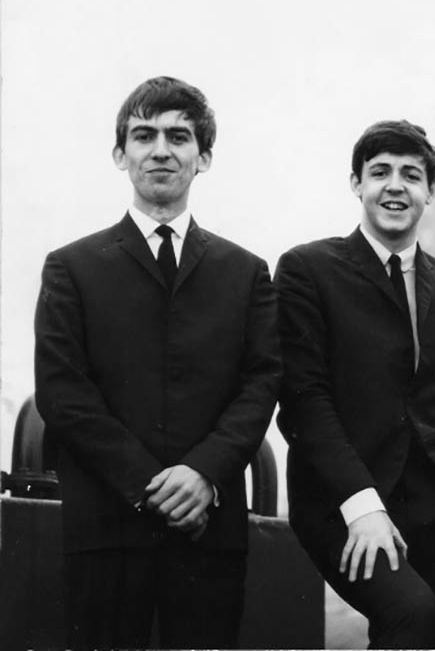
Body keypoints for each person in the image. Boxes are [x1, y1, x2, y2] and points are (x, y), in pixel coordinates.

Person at [34, 76, 281, 649]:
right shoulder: (71, 268)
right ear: (121, 155)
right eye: (144, 135)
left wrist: (204, 474)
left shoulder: (246, 273)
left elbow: (262, 382)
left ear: (204, 156)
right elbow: (63, 393)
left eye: (179, 136)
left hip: (209, 533)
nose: (161, 150)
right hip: (106, 532)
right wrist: (153, 488)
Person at [276, 119, 435, 649]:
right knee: (409, 612)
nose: (396, 186)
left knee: (416, 637)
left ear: (430, 192)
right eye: (380, 172)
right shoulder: (308, 269)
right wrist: (360, 504)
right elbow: (304, 402)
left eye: (411, 175)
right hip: (339, 501)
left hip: (430, 506)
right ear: (356, 184)